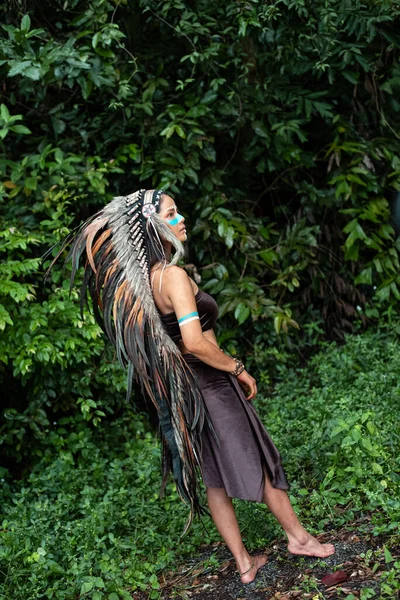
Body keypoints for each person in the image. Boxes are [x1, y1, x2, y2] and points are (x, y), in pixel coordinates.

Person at [48, 189, 334, 584]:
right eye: (171, 213)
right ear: (152, 225)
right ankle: (299, 538)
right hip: (210, 385)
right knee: (258, 458)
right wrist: (236, 368)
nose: (182, 219)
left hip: (186, 394)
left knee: (214, 477)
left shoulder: (147, 282)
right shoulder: (174, 277)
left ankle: (245, 563)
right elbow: (195, 342)